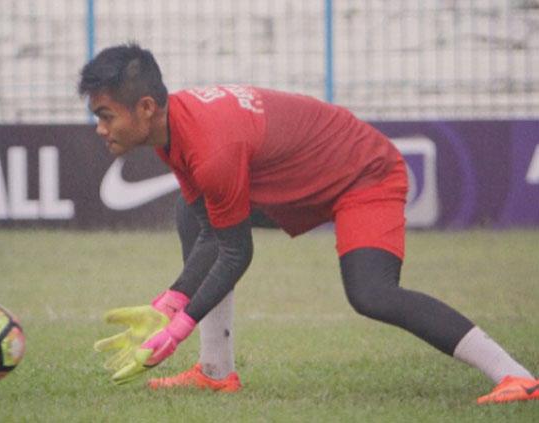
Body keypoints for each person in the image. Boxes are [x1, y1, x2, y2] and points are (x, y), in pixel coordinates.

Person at [78, 43, 538, 404]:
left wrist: (176, 328)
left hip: (365, 175)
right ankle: (215, 372)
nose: (100, 127)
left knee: (372, 293)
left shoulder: (208, 148)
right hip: (307, 180)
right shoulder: (173, 127)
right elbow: (213, 234)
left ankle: (515, 375)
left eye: (105, 115)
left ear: (144, 108)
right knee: (190, 212)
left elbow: (236, 252)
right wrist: (170, 301)